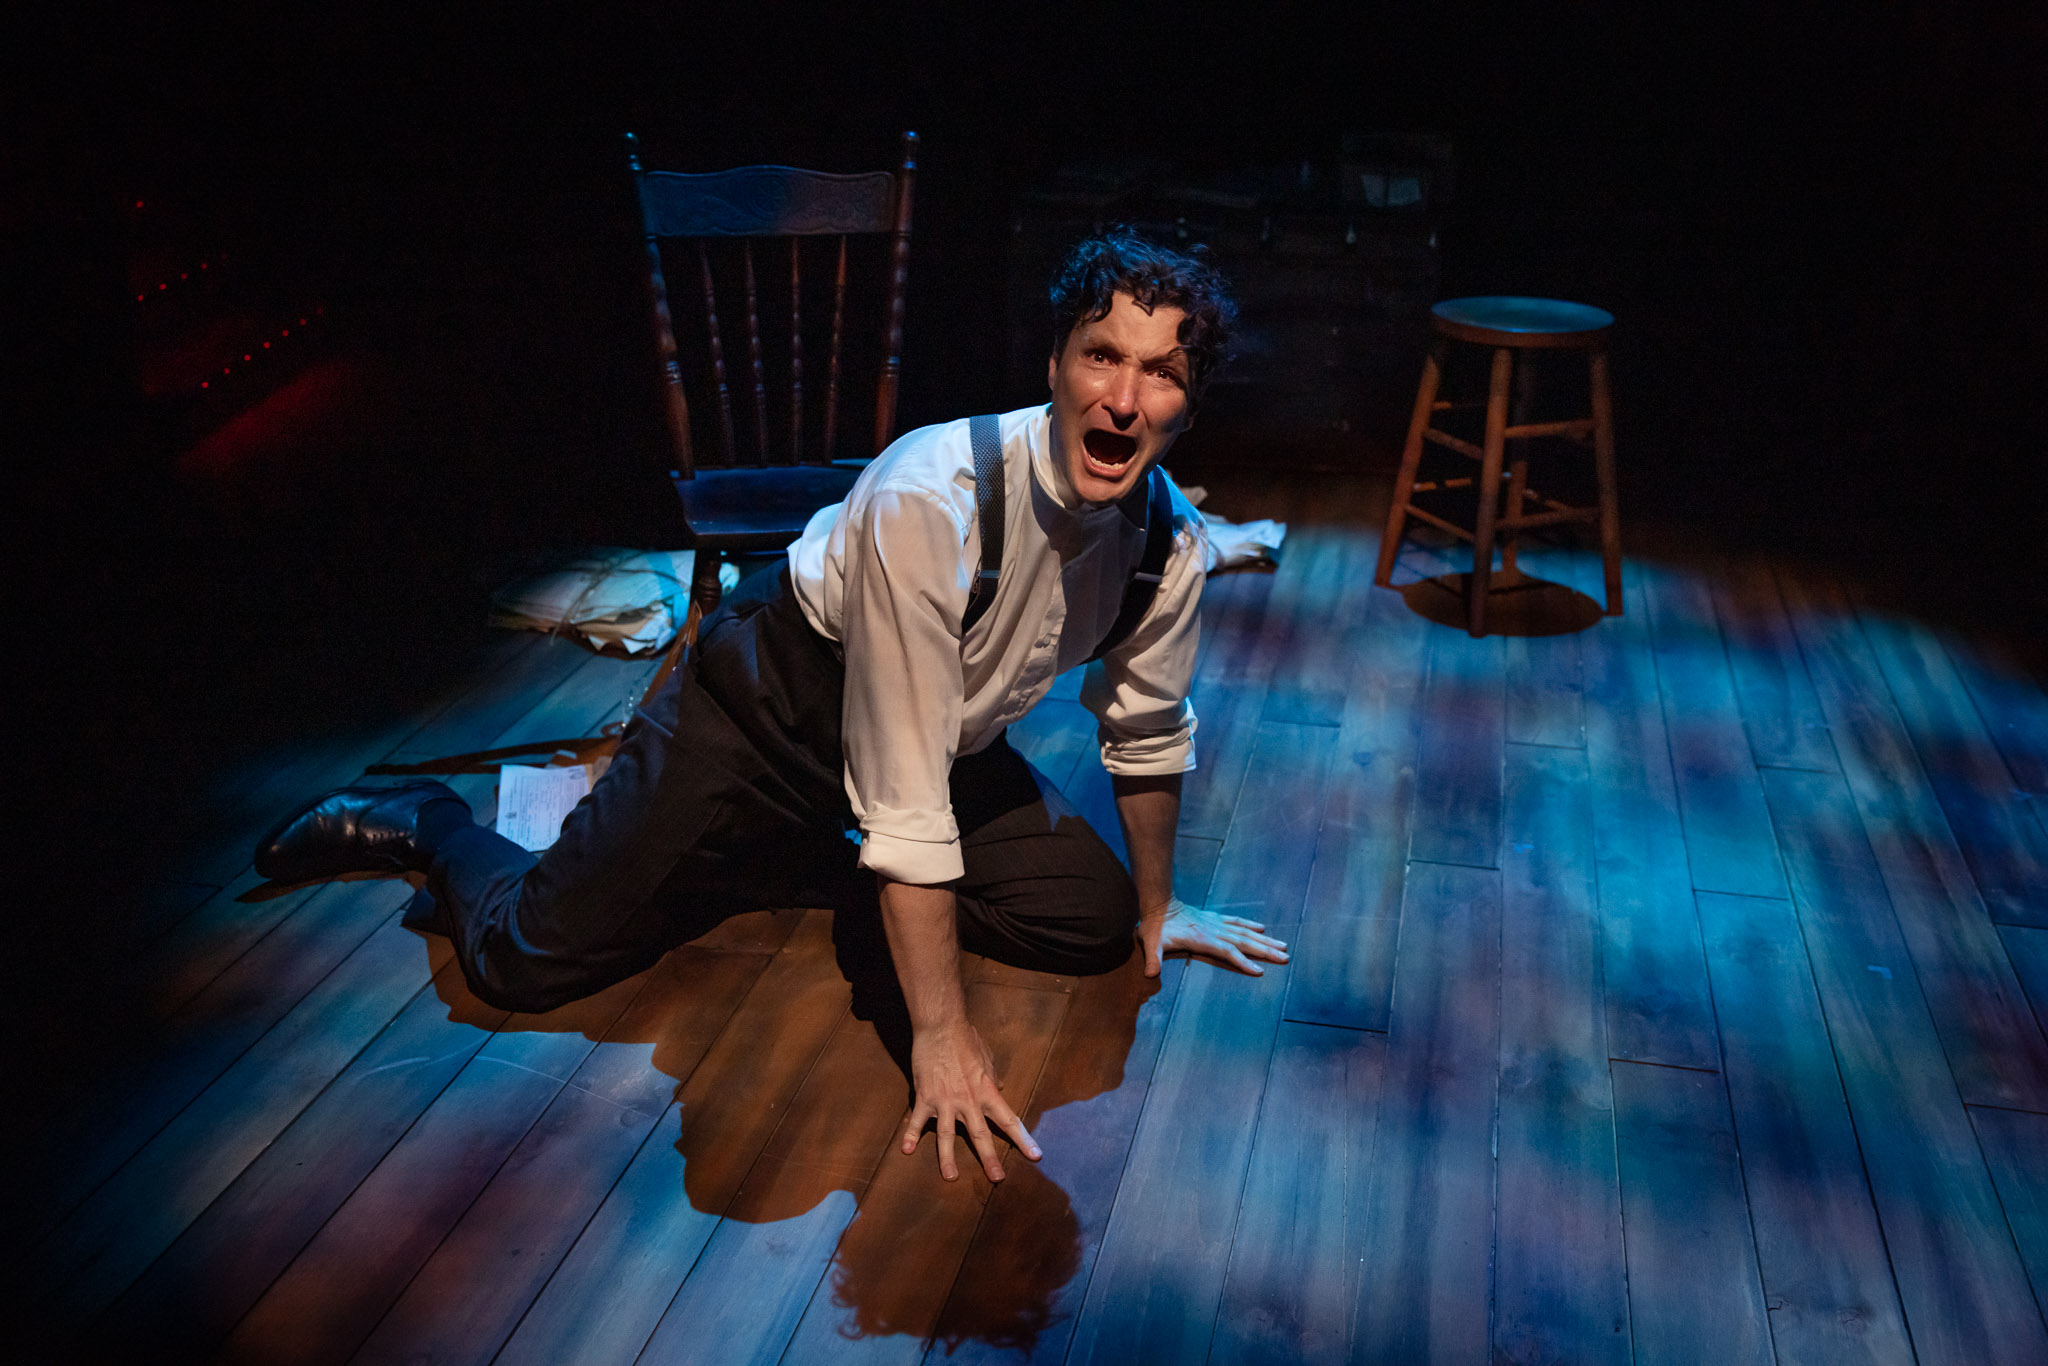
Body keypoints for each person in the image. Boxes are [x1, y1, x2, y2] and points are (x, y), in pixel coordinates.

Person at [256, 228, 1289, 1185]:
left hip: (931, 743)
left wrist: (1160, 908)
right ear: (1055, 365)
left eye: (1161, 375)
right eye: (1102, 355)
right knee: (529, 956)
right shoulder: (932, 496)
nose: (1123, 396)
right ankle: (431, 822)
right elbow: (904, 804)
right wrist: (939, 1034)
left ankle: (780, 855)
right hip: (765, 714)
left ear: (1186, 410)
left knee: (1091, 920)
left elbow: (1145, 729)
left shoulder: (1167, 546)